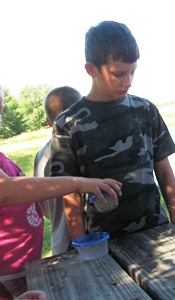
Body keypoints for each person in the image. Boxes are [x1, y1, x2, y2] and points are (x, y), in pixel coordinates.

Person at [50, 20, 175, 243]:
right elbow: (69, 194)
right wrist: (82, 245)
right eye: (119, 74)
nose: (128, 81)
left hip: (157, 230)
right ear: (91, 69)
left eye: (132, 72)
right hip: (104, 241)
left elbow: (164, 169)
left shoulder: (145, 109)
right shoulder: (67, 124)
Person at [0, 86, 121, 300]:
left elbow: (37, 202)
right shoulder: (52, 153)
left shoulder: (10, 157)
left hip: (26, 264)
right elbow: (7, 189)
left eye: (0, 112)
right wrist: (78, 183)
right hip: (11, 271)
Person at [33, 86, 81, 255]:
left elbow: (41, 205)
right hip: (86, 242)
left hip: (60, 244)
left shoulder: (40, 155)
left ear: (48, 122)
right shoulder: (82, 148)